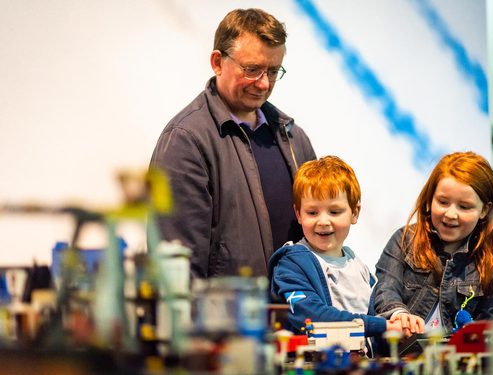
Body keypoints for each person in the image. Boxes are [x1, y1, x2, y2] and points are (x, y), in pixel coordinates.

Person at [149, 8, 316, 279]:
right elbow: (176, 269)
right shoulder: (185, 141)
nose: (263, 84)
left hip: (298, 319)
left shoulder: (295, 138)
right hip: (225, 320)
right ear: (217, 62)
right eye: (252, 70)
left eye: (273, 71)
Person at [268, 156, 410, 342]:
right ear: (298, 214)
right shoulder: (290, 265)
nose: (323, 221)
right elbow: (314, 317)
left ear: (355, 212)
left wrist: (397, 318)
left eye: (334, 212)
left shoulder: (358, 266)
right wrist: (382, 326)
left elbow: (377, 312)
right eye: (312, 212)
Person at [371, 151, 493, 336]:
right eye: (443, 202)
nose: (451, 214)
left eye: (464, 207)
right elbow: (385, 289)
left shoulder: (486, 260)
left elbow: (487, 325)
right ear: (429, 201)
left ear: (484, 210)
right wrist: (399, 313)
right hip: (399, 355)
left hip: (454, 360)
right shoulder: (404, 240)